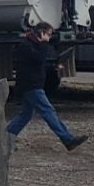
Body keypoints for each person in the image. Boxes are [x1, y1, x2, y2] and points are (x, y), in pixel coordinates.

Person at [8, 22, 86, 151]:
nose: (49, 38)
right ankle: (68, 139)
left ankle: (5, 138)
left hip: (30, 86)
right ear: (41, 33)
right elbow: (38, 60)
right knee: (48, 111)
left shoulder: (32, 45)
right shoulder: (26, 46)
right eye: (48, 34)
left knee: (25, 115)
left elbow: (38, 65)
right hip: (31, 86)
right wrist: (44, 43)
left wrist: (53, 67)